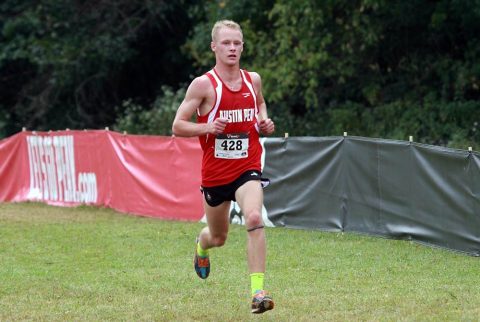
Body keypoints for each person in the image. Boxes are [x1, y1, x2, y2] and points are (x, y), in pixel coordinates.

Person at [172, 19, 275, 314]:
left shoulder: (252, 79)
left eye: (237, 43)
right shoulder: (204, 85)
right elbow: (178, 126)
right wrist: (206, 128)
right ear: (214, 47)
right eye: (226, 43)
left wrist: (263, 122)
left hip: (247, 168)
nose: (232, 48)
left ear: (243, 46)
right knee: (218, 237)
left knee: (254, 216)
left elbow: (260, 104)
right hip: (216, 175)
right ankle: (201, 245)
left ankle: (258, 293)